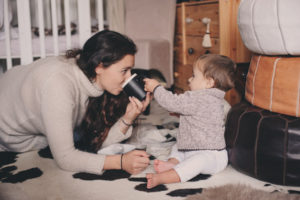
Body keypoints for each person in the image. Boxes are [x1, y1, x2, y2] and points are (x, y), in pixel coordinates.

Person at [0, 30, 151, 175]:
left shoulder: (91, 77)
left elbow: (97, 142)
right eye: (124, 71)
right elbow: (65, 158)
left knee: (84, 137)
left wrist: (128, 118)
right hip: (10, 132)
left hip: (19, 93)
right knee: (76, 142)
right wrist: (120, 162)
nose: (128, 78)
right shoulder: (59, 86)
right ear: (99, 66)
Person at [144, 54, 236, 189]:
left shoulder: (199, 98)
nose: (189, 79)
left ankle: (166, 177)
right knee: (178, 146)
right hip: (191, 147)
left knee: (197, 162)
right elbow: (199, 116)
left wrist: (157, 88)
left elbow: (171, 102)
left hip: (211, 156)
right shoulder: (213, 100)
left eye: (194, 76)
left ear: (209, 83)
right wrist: (181, 113)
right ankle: (173, 163)